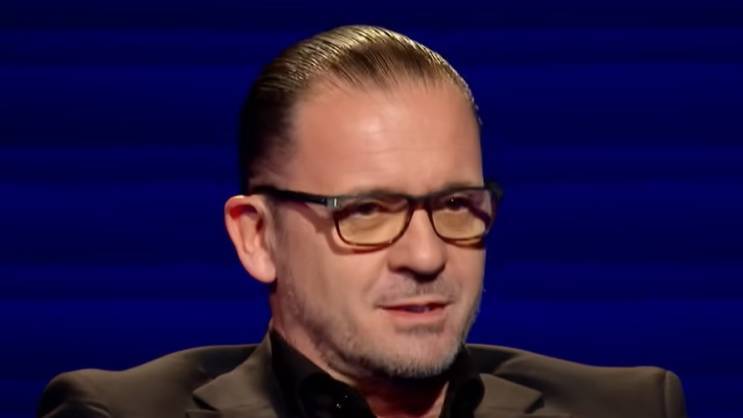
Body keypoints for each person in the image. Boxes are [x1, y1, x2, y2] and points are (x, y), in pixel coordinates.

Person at [37, 25, 687, 418]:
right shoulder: (122, 413)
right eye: (367, 211)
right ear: (257, 237)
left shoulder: (628, 408)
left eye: (454, 205)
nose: (426, 256)